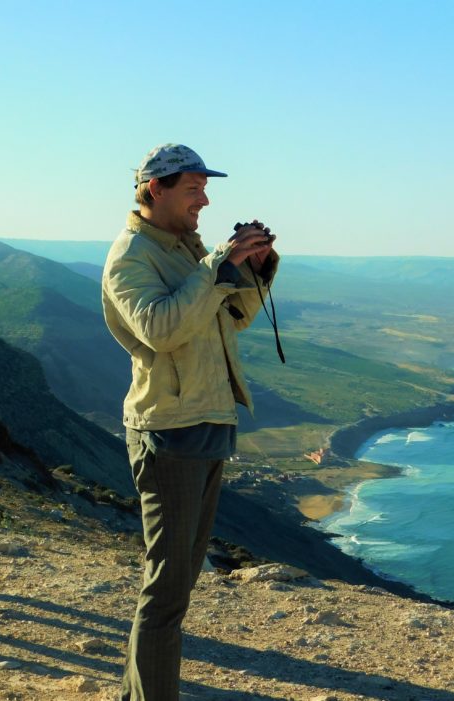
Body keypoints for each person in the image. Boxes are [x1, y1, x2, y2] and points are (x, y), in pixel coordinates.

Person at [101, 143, 279, 700]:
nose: (205, 198)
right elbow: (161, 329)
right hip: (168, 430)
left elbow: (234, 318)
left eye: (206, 186)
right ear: (157, 188)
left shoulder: (184, 247)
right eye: (194, 187)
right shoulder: (132, 254)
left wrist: (254, 267)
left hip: (205, 420)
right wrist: (213, 266)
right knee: (168, 589)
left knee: (178, 583)